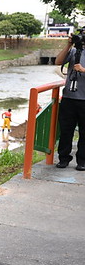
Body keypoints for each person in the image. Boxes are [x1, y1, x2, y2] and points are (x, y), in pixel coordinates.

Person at [53, 38, 85, 170]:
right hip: (69, 98)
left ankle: (82, 161)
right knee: (66, 131)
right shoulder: (74, 51)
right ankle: (63, 158)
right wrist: (68, 44)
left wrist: (83, 70)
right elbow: (58, 61)